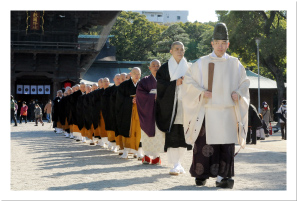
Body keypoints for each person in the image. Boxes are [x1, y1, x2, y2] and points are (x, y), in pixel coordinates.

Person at [182, 23, 250, 188]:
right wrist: (200, 91)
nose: (220, 46)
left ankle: (222, 177)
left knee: (225, 147)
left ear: (228, 44)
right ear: (212, 44)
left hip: (227, 112)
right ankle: (201, 174)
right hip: (208, 111)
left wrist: (239, 93)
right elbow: (188, 80)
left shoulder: (235, 63)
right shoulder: (201, 63)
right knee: (204, 145)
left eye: (223, 43)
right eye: (217, 43)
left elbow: (245, 81)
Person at [156, 41, 192, 175]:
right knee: (172, 133)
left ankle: (179, 162)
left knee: (183, 133)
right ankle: (175, 163)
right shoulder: (164, 68)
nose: (180, 52)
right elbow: (160, 85)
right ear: (171, 51)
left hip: (185, 104)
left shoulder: (189, 67)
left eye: (182, 49)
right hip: (170, 105)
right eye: (177, 49)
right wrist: (174, 83)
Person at [136, 59, 165, 165]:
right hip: (148, 112)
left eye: (158, 65)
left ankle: (157, 157)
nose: (156, 67)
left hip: (160, 111)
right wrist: (153, 96)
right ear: (149, 68)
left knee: (159, 133)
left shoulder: (165, 80)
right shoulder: (144, 81)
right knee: (147, 133)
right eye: (153, 65)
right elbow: (140, 94)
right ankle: (147, 156)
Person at [116, 67, 144, 159]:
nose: (136, 75)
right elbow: (119, 98)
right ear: (131, 74)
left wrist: (139, 99)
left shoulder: (143, 84)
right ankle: (126, 150)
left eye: (138, 73)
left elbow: (148, 97)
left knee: (139, 131)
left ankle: (139, 151)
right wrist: (130, 100)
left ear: (140, 74)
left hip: (140, 112)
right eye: (135, 73)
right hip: (128, 111)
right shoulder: (124, 85)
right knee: (128, 130)